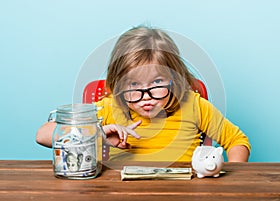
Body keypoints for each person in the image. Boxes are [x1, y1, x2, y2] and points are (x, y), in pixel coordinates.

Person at [36, 25, 250, 162]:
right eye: (133, 85)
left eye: (157, 82)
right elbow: (43, 134)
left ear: (174, 80)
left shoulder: (194, 105)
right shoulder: (110, 107)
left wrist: (228, 181)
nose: (146, 95)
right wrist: (96, 134)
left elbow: (238, 142)